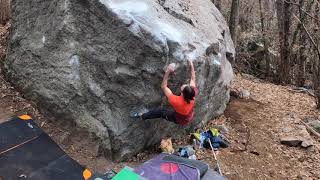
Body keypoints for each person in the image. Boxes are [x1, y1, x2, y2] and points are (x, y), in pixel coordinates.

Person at [132, 59, 198, 126]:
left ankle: (142, 116)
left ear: (183, 93)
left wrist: (168, 71)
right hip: (188, 114)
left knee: (160, 112)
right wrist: (191, 64)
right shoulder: (193, 93)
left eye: (183, 87)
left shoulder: (176, 101)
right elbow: (193, 78)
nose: (184, 85)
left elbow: (163, 87)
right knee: (180, 108)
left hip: (179, 119)